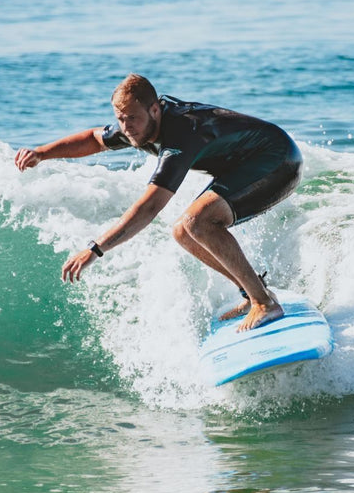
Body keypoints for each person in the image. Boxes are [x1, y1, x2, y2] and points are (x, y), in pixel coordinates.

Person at [15, 74, 303, 331]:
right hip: (243, 165)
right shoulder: (137, 125)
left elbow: (149, 207)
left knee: (198, 221)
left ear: (155, 109)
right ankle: (252, 292)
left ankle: (264, 303)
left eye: (131, 118)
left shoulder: (181, 133)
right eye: (120, 118)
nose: (125, 127)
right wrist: (42, 153)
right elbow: (93, 139)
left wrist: (95, 249)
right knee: (182, 230)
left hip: (278, 160)